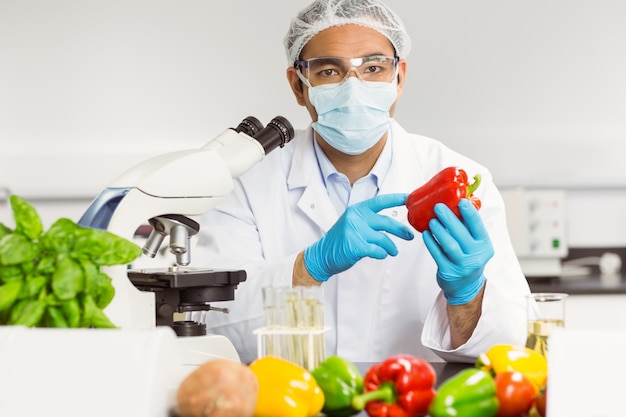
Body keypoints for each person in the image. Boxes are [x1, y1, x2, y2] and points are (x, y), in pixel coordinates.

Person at [191, 0, 531, 365]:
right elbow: (213, 329)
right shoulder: (245, 184)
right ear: (298, 86)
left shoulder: (458, 177)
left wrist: (467, 294)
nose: (354, 88)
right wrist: (309, 267)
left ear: (399, 77)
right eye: (329, 72)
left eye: (373, 67)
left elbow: (507, 350)